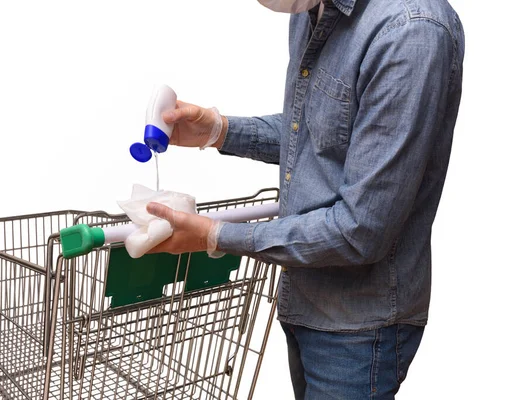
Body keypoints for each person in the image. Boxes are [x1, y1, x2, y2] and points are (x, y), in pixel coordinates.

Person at [146, 0, 465, 398]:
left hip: (358, 326)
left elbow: (361, 231)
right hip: (304, 299)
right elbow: (321, 133)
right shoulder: (310, 9)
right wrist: (220, 132)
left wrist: (216, 236)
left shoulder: (411, 31)